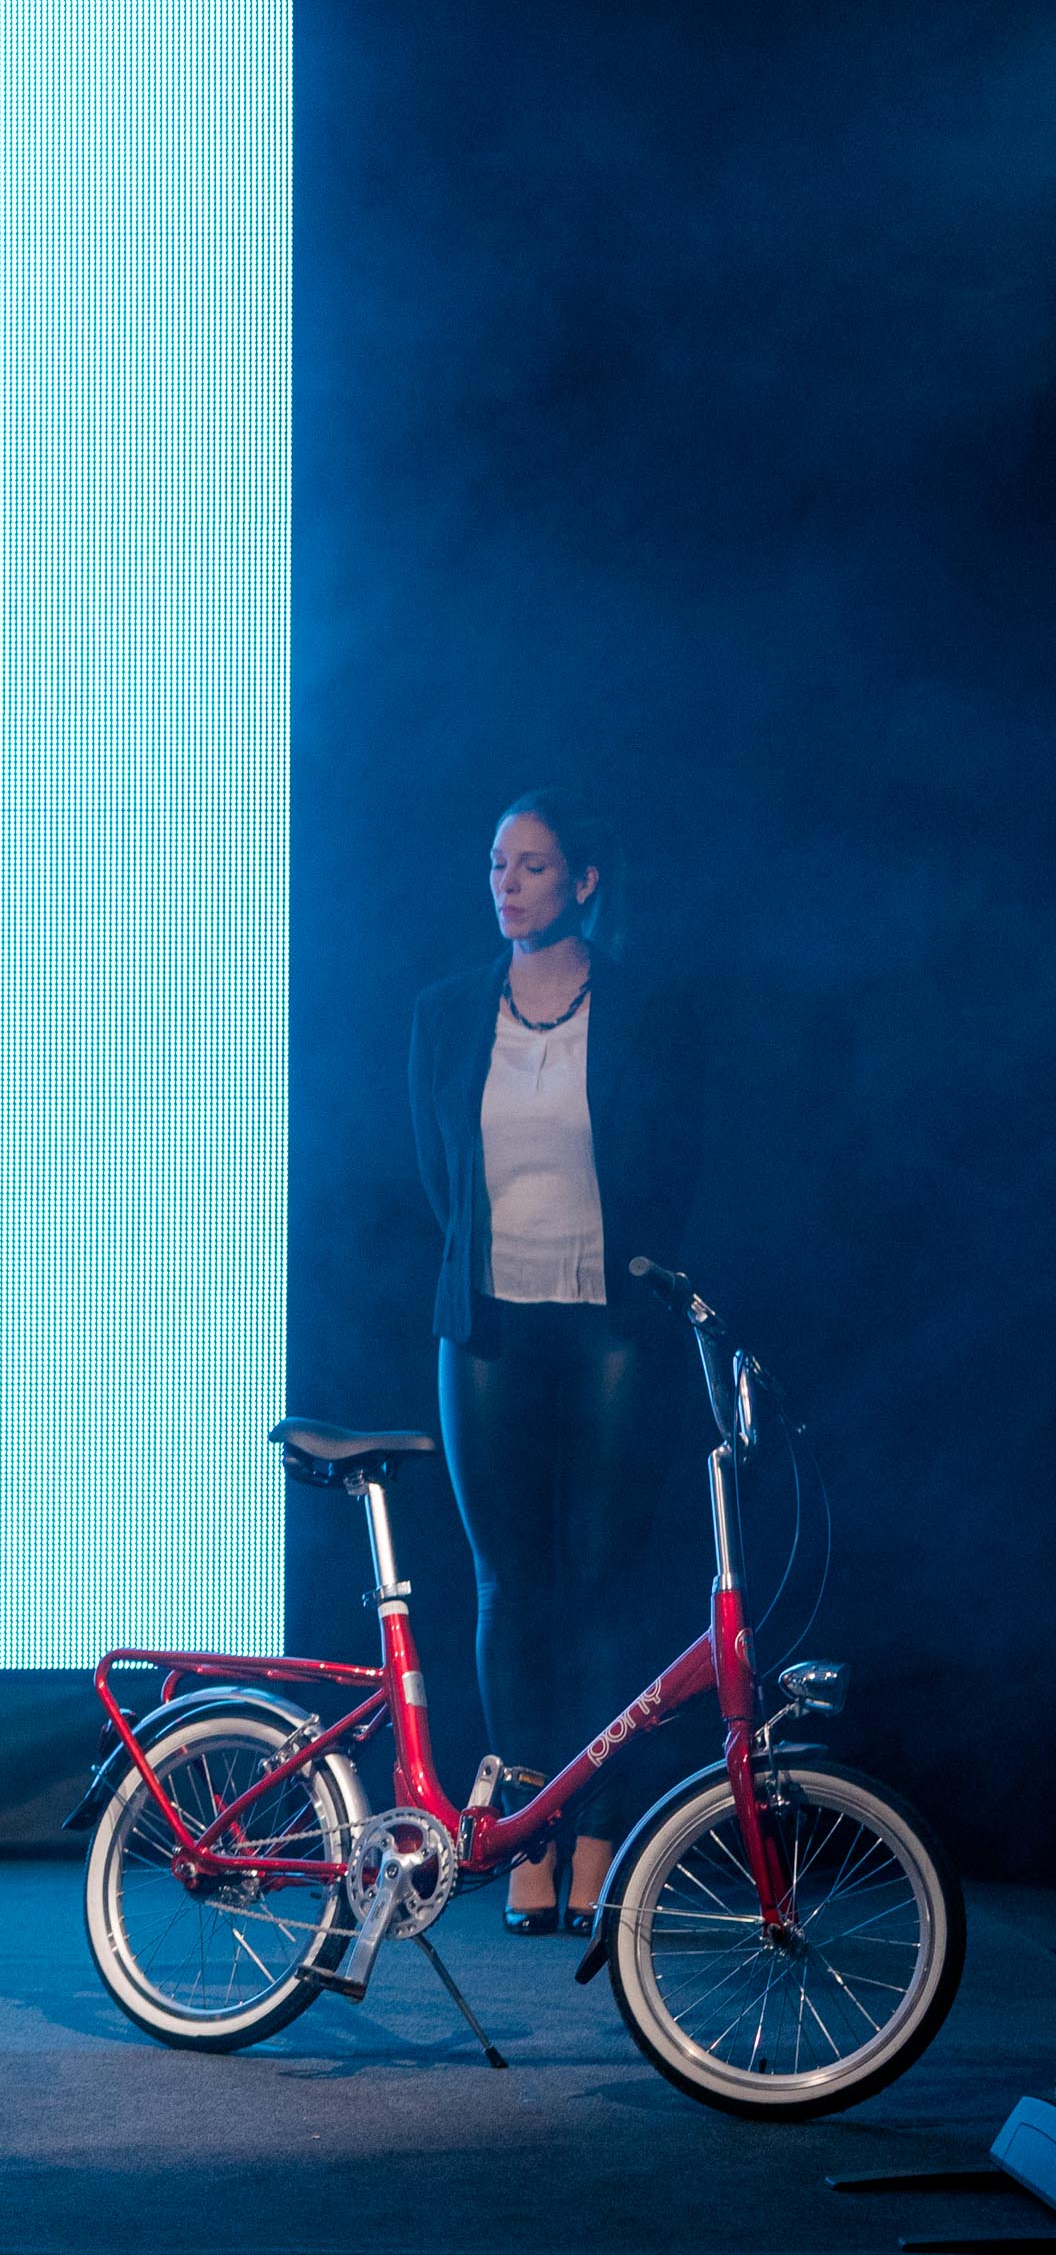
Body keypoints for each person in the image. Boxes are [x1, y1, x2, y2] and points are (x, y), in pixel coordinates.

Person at [409, 789, 703, 1935]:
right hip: (489, 1325)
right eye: (498, 864)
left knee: (602, 1583)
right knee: (508, 1583)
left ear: (584, 880)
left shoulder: (645, 1009)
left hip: (609, 1327)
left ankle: (599, 1833)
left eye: (533, 866)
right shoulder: (447, 1011)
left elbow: (673, 1163)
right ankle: (527, 1830)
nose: (508, 885)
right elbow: (438, 1177)